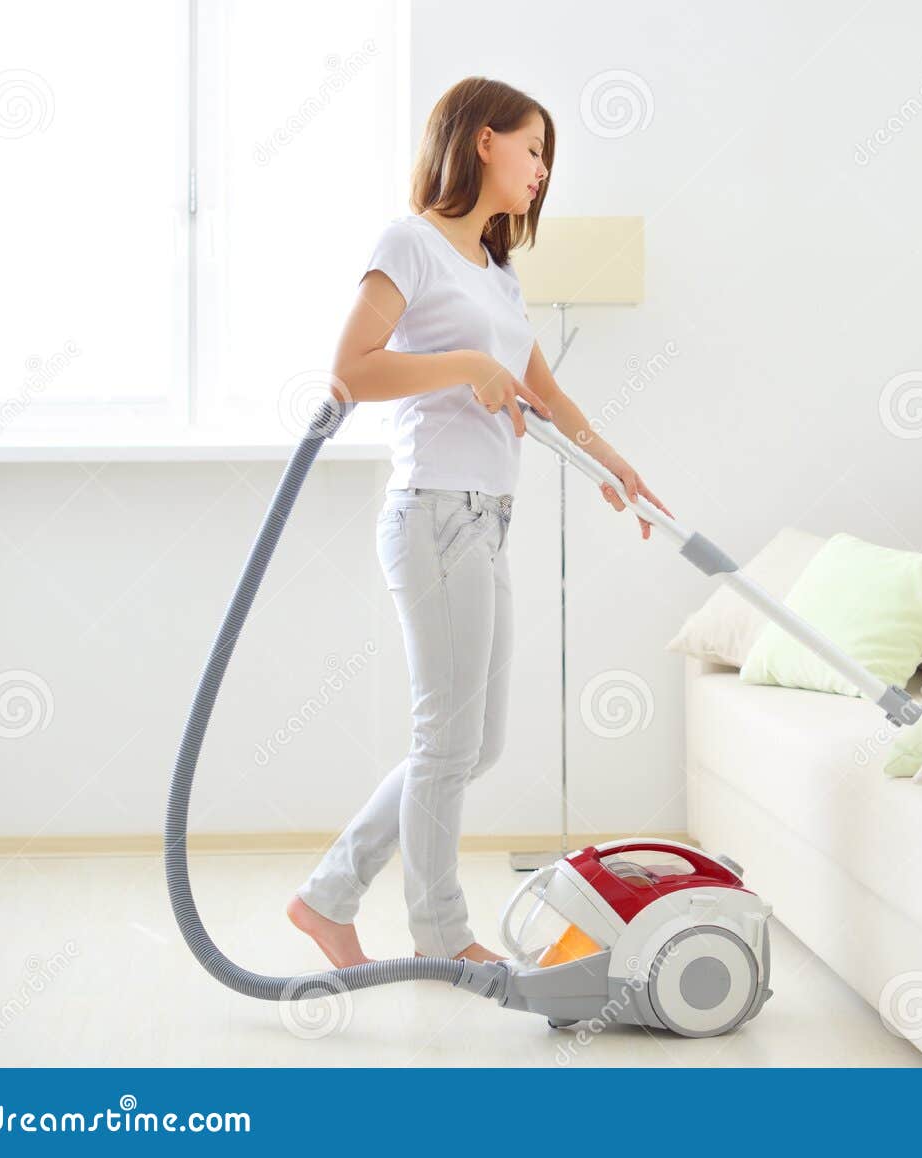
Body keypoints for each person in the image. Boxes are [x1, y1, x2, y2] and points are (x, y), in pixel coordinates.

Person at [286, 76, 670, 967]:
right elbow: (351, 371)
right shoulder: (409, 244)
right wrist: (461, 364)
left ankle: (328, 896)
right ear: (483, 141)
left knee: (473, 743)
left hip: (489, 520)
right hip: (433, 515)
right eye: (534, 150)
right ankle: (441, 937)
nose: (542, 172)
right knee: (447, 739)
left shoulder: (497, 274)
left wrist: (612, 464)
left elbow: (544, 393)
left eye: (547, 159)